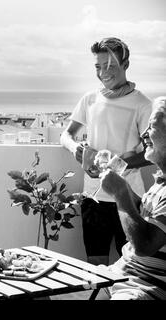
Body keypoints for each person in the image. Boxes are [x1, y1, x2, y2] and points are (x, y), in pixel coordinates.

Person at [60, 37, 152, 266]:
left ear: (125, 65)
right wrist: (76, 149)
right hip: (93, 197)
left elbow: (152, 150)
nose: (103, 72)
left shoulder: (142, 104)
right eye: (98, 67)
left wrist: (119, 163)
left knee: (131, 264)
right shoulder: (90, 99)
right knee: (95, 264)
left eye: (110, 66)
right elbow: (66, 135)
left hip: (130, 196)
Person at [98, 96, 166, 299]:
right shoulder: (161, 183)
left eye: (151, 128)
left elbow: (144, 244)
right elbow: (147, 215)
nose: (144, 134)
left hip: (142, 288)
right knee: (43, 292)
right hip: (117, 276)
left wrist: (119, 193)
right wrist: (123, 186)